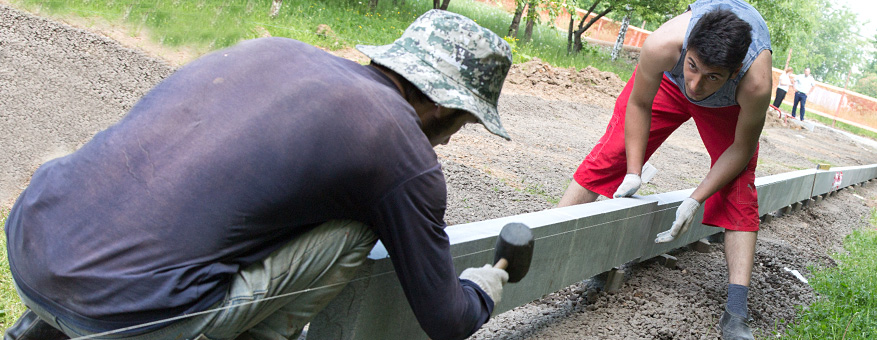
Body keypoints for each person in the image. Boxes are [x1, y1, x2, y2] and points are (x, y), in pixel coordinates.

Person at [4, 10, 513, 340]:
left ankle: (44, 328)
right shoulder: (404, 150)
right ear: (443, 107)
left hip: (33, 246)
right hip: (128, 318)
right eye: (464, 123)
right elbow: (447, 321)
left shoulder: (278, 52)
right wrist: (482, 289)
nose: (449, 140)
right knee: (357, 229)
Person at [557, 0, 771, 339]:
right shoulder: (664, 44)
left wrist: (695, 200)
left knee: (737, 186)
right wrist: (633, 171)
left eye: (711, 76)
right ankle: (547, 245)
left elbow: (741, 149)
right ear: (687, 50)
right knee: (612, 152)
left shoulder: (755, 83)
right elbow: (639, 104)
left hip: (726, 104)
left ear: (733, 73)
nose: (696, 85)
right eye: (693, 66)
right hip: (667, 84)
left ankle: (736, 312)